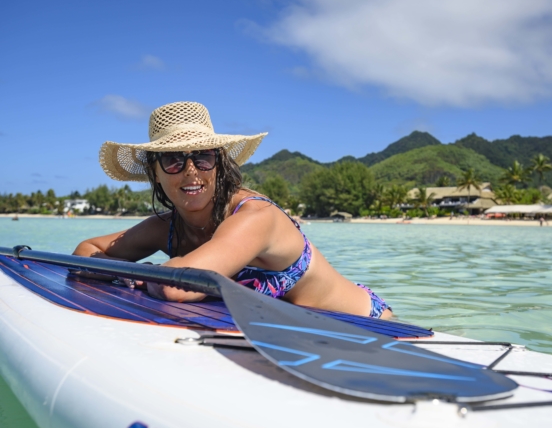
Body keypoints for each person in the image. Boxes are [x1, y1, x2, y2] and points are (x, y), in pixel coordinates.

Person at [73, 102, 391, 319]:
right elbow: (86, 250)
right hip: (294, 336)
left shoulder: (255, 217)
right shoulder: (167, 228)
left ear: (218, 164)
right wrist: (135, 271)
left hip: (367, 326)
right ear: (154, 172)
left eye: (203, 157)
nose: (190, 171)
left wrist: (140, 272)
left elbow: (176, 286)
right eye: (172, 160)